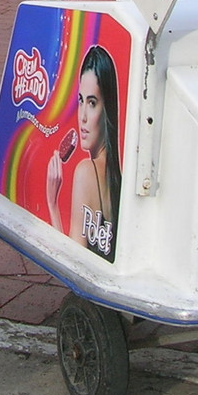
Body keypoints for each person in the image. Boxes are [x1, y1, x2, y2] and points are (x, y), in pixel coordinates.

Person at [45, 45, 121, 261]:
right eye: (81, 101)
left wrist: (52, 203)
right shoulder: (118, 175)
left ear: (108, 108)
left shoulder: (86, 171)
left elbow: (72, 263)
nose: (83, 116)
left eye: (93, 103)